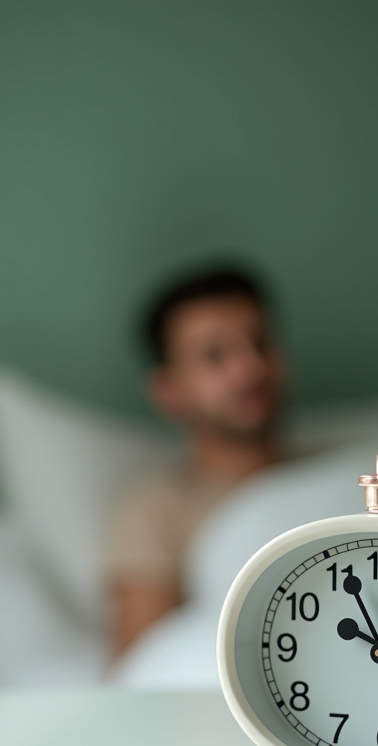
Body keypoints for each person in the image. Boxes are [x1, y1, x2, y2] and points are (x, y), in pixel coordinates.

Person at [106, 264, 286, 654]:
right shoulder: (155, 509)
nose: (249, 368)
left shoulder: (350, 476)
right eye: (214, 355)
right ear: (169, 389)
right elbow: (142, 671)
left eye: (260, 342)